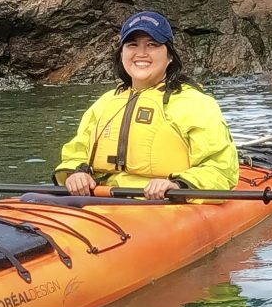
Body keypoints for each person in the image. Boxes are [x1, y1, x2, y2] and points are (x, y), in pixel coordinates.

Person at [55, 11, 238, 199]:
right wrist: (75, 174)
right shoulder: (105, 103)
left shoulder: (195, 104)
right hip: (102, 197)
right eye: (132, 45)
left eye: (152, 45)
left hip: (162, 203)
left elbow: (221, 169)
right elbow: (76, 153)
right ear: (122, 54)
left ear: (170, 56)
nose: (141, 53)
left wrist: (177, 184)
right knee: (31, 199)